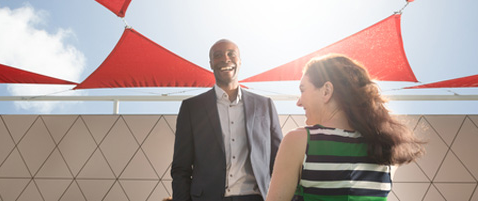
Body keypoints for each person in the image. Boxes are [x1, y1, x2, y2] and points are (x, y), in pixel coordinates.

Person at [265, 54, 425, 201]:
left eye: (303, 90)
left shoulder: (299, 141)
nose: (299, 102)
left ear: (326, 91)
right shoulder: (386, 147)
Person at [171, 39, 283, 201]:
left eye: (231, 54)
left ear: (240, 61)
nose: (225, 59)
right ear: (210, 63)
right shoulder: (191, 108)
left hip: (256, 197)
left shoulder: (264, 105)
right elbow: (181, 168)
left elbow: (279, 162)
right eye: (218, 55)